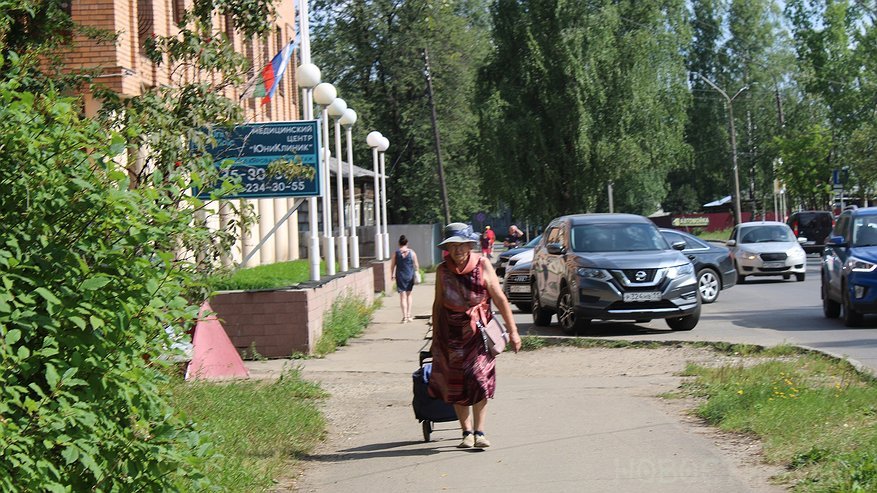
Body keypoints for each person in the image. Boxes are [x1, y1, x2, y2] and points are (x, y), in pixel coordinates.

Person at [429, 222, 522, 449]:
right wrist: (435, 337)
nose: (457, 250)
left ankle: (480, 431)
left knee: (479, 379)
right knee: (457, 384)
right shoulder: (442, 271)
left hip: (480, 332)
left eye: (461, 245)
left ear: (470, 245)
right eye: (453, 246)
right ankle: (466, 433)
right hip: (452, 333)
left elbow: (499, 299)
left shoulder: (482, 265)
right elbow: (438, 304)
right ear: (447, 248)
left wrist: (513, 331)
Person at [390, 235, 420, 323]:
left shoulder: (396, 253)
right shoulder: (412, 253)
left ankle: (404, 317)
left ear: (399, 244)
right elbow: (416, 265)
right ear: (407, 243)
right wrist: (417, 272)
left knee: (402, 297)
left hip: (400, 276)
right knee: (409, 295)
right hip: (409, 275)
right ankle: (409, 315)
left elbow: (392, 266)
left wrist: (392, 274)